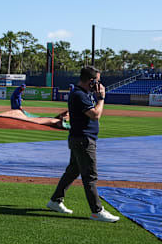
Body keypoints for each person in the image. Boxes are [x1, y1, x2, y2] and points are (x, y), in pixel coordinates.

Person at [46, 66, 120, 222]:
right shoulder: (79, 94)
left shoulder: (84, 94)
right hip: (83, 140)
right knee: (90, 176)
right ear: (91, 81)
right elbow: (95, 115)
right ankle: (96, 211)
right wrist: (101, 98)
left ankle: (55, 201)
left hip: (80, 139)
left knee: (73, 171)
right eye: (97, 81)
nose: (99, 84)